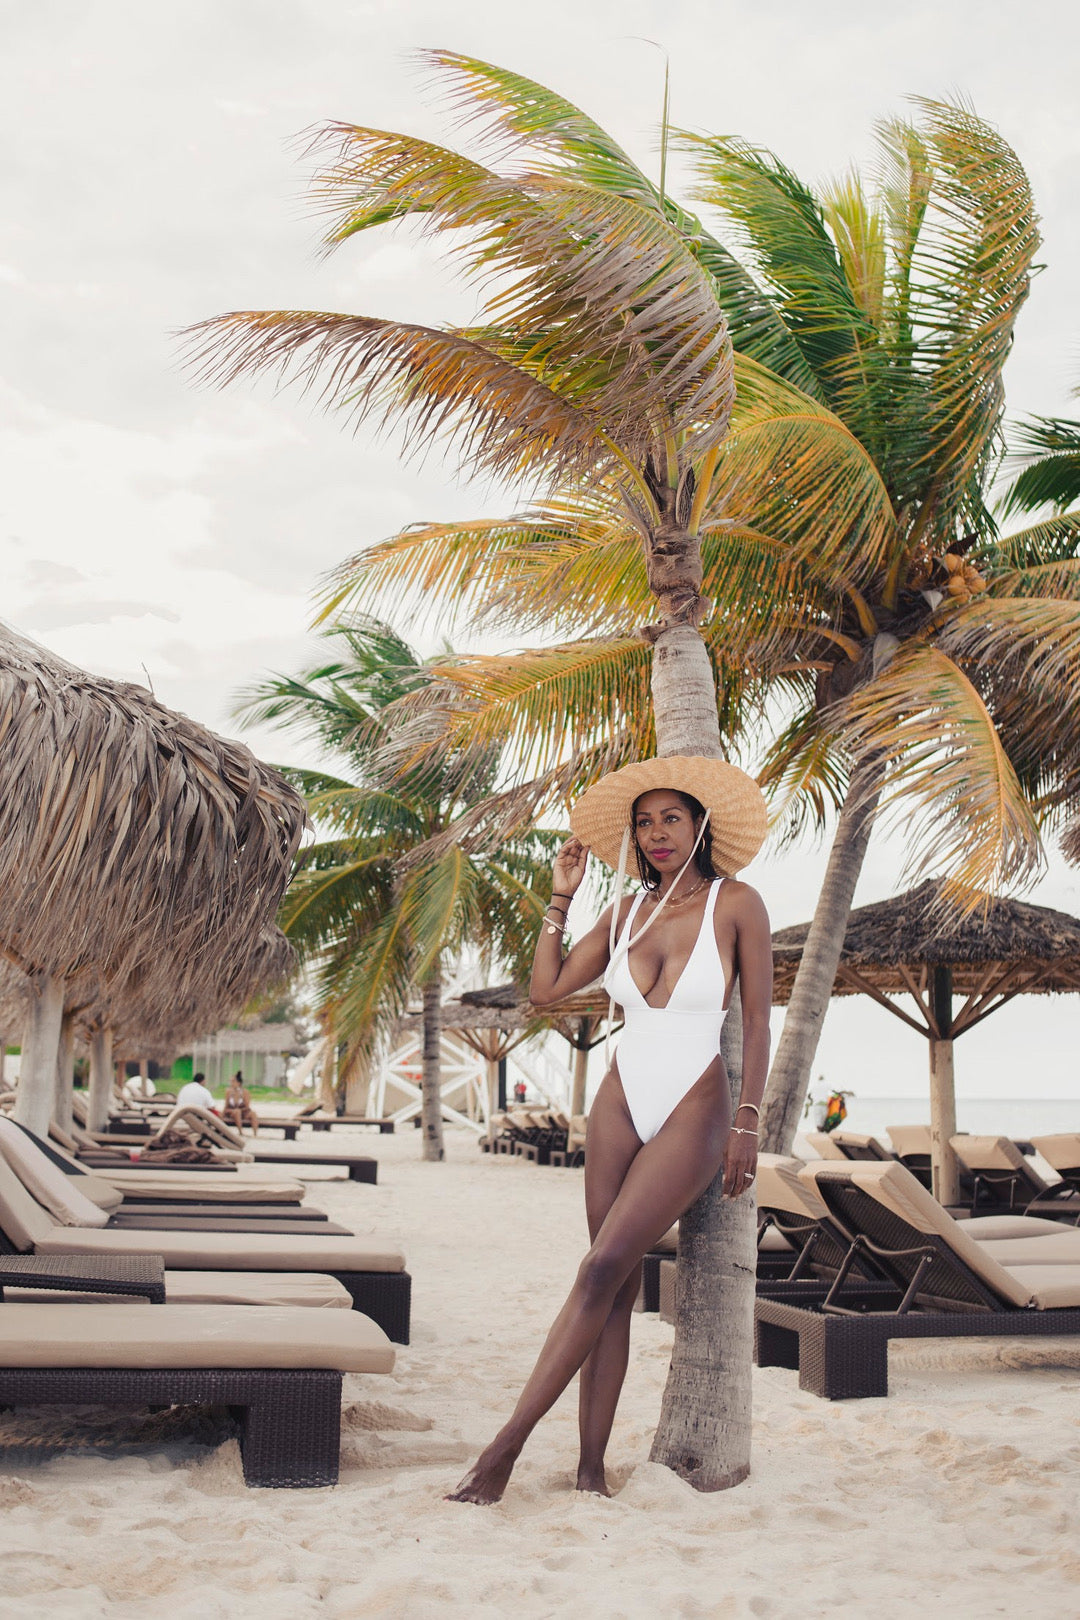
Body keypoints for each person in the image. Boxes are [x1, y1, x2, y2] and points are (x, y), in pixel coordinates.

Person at [449, 756, 772, 1505]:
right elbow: (546, 990)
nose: (657, 833)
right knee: (613, 1286)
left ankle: (503, 1449)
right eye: (645, 822)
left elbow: (758, 1020)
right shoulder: (624, 914)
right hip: (621, 1098)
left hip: (695, 1104)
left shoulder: (736, 903)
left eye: (671, 819)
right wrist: (560, 899)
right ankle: (589, 1470)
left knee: (598, 1270)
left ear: (700, 826)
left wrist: (749, 1120)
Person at [222, 1071, 259, 1136]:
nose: (231, 1083)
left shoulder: (245, 1092)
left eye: (233, 1081)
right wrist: (223, 1113)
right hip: (232, 1112)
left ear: (238, 1083)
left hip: (243, 1112)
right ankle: (241, 1132)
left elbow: (247, 1106)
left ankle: (255, 1134)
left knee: (253, 1114)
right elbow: (226, 1106)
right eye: (231, 1081)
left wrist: (241, 1110)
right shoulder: (228, 1092)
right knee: (237, 1112)